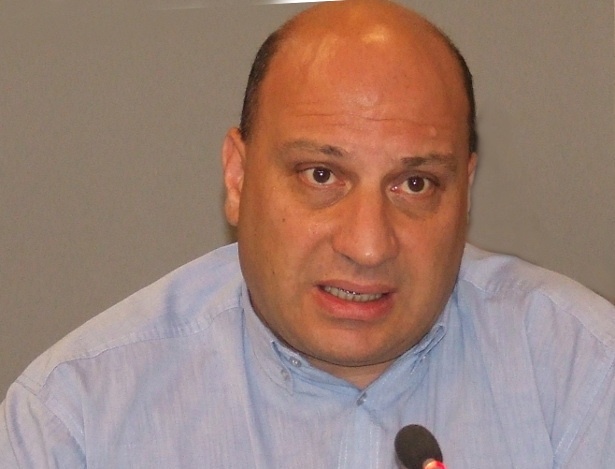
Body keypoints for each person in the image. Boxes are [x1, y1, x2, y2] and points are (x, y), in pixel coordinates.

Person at [1, 0, 614, 467]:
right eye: (321, 175)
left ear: (466, 190)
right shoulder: (75, 421)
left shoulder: (586, 374)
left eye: (415, 184)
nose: (368, 245)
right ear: (238, 178)